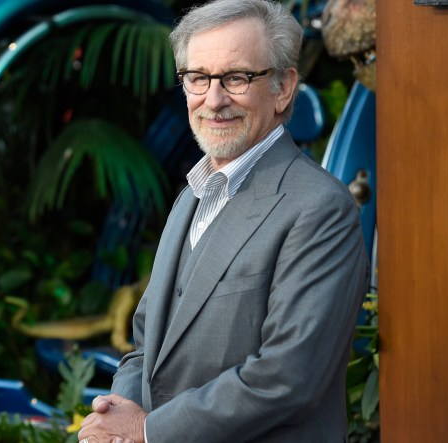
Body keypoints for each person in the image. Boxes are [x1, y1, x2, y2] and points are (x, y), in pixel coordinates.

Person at [77, 0, 369, 442]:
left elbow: (287, 377)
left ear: (283, 87)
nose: (214, 99)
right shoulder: (190, 198)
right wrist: (120, 410)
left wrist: (146, 430)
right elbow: (145, 345)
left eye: (236, 77)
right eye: (198, 78)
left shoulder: (320, 208)